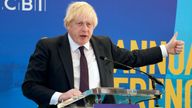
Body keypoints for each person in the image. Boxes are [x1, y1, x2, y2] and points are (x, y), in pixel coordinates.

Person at [22, 1, 184, 108]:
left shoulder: (103, 45)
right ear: (68, 25)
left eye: (89, 24)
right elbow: (30, 86)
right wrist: (60, 96)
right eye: (79, 24)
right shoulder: (48, 47)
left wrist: (165, 49)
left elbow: (132, 58)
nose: (85, 29)